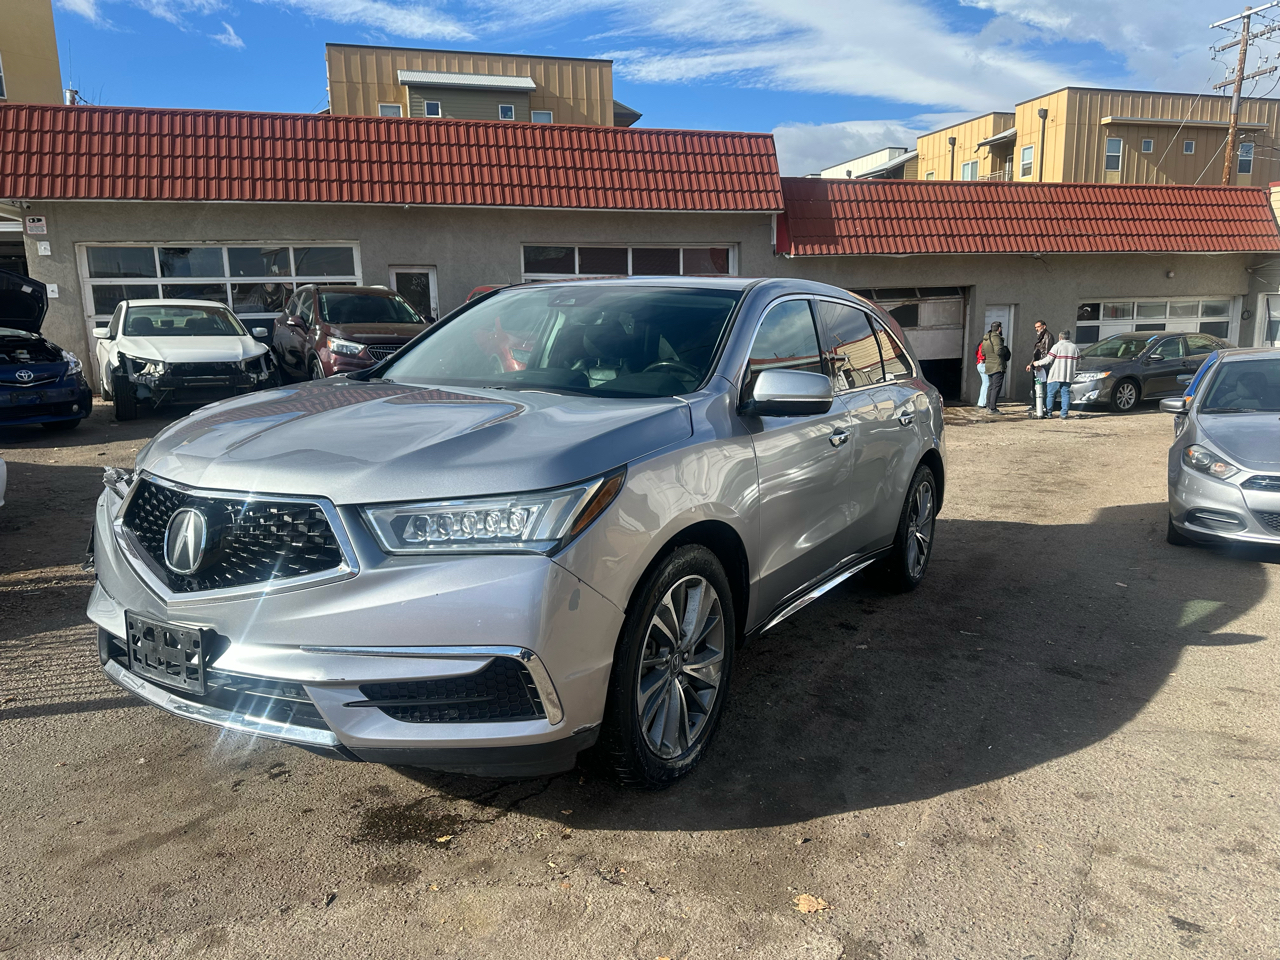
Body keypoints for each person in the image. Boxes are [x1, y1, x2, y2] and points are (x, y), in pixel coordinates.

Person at [1034, 330, 1081, 420]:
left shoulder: (1057, 346)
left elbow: (1048, 359)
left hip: (1056, 374)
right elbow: (1079, 362)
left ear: (1060, 337)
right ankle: (1064, 414)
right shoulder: (1074, 347)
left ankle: (1049, 413)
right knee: (1065, 394)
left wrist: (1037, 363)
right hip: (1068, 375)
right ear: (1068, 337)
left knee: (1051, 394)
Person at [1026, 320, 1053, 417]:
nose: (1036, 329)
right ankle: (1036, 404)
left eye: (1038, 327)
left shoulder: (1047, 336)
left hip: (1042, 365)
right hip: (1036, 364)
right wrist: (1031, 364)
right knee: (1035, 385)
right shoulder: (1040, 336)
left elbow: (1046, 352)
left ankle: (1043, 406)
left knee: (1042, 386)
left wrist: (1040, 364)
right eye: (1035, 327)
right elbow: (1036, 353)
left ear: (1044, 326)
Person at [981, 321, 1009, 414]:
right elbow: (999, 351)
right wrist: (1005, 349)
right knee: (996, 387)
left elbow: (983, 352)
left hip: (989, 365)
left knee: (991, 386)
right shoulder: (996, 338)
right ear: (999, 329)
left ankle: (989, 405)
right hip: (997, 365)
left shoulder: (986, 338)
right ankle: (992, 408)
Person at [975, 338, 990, 408]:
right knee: (986, 384)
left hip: (979, 365)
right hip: (983, 365)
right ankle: (983, 403)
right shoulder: (984, 345)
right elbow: (982, 356)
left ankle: (981, 402)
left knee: (984, 383)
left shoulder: (980, 344)